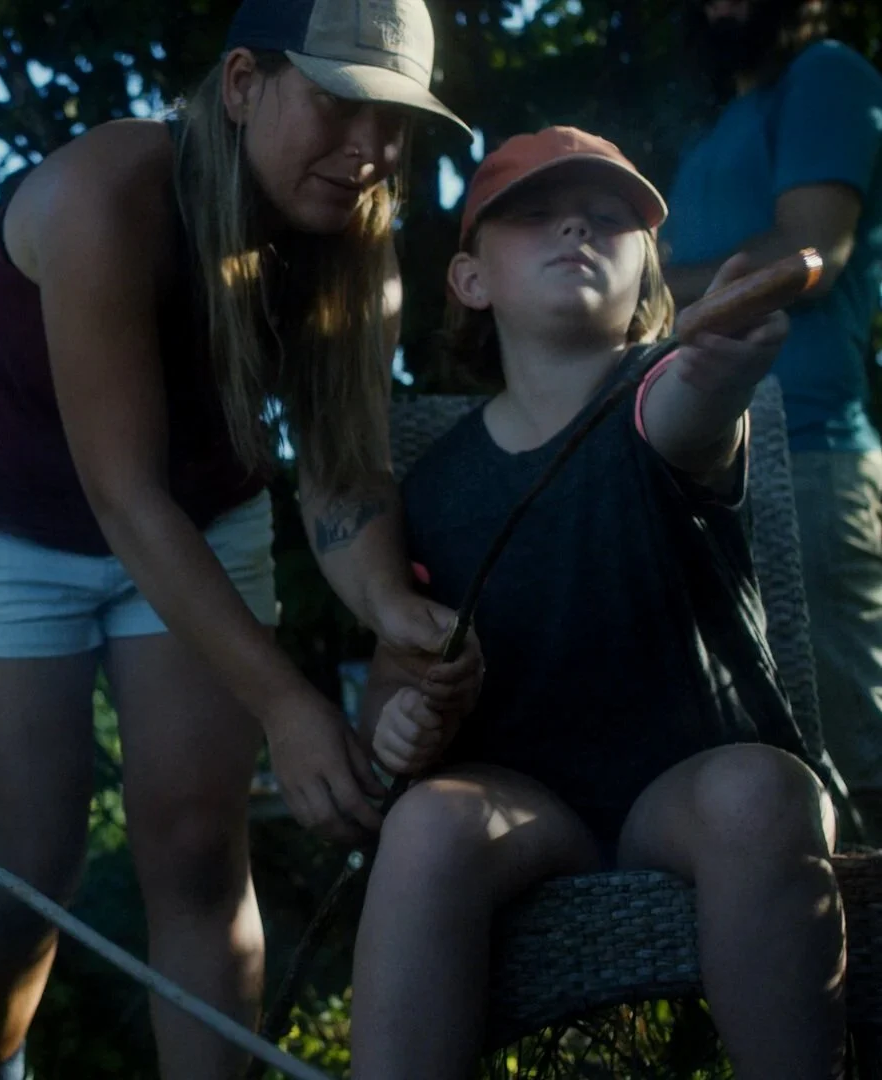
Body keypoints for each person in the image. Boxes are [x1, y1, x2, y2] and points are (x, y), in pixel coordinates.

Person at [0, 1, 480, 1075]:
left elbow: (341, 475)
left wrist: (392, 608)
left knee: (200, 853)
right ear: (243, 84)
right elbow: (123, 494)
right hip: (5, 528)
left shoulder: (356, 248)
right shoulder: (102, 194)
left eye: (394, 121)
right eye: (339, 102)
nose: (370, 150)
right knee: (34, 863)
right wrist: (287, 706)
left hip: (200, 515)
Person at [350, 127, 845, 1079]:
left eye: (610, 218)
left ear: (650, 276)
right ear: (468, 282)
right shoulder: (430, 489)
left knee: (761, 791)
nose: (574, 223)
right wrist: (398, 726)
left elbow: (688, 410)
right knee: (424, 822)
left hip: (689, 783)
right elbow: (391, 685)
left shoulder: (654, 393)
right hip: (530, 802)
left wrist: (718, 369)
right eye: (531, 213)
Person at [663, 0, 882, 830]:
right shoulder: (718, 128)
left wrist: (639, 289)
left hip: (812, 456)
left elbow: (810, 253)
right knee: (757, 767)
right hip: (710, 473)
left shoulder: (828, 74)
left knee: (856, 758)